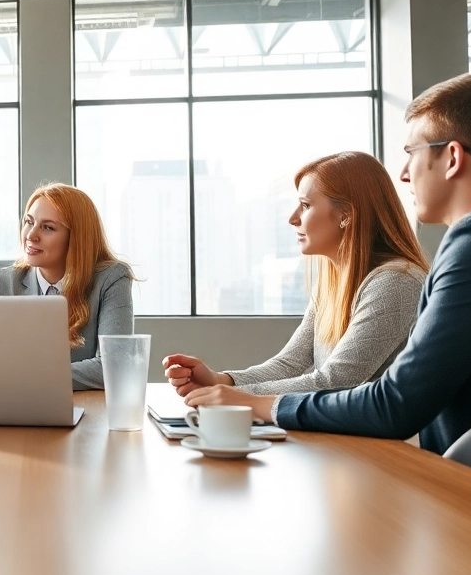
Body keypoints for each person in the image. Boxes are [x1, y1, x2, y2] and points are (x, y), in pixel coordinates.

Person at [181, 72, 471, 454]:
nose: (404, 174)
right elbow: (295, 363)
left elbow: (396, 403)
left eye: (412, 153)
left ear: (452, 157)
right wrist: (227, 384)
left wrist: (255, 404)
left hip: (470, 480)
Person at [165, 152, 428, 396]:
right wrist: (220, 381)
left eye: (305, 205)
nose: (293, 218)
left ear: (346, 215)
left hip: (383, 434)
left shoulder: (396, 282)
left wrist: (231, 396)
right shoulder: (332, 283)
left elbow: (333, 382)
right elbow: (289, 363)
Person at [0, 183, 134, 390]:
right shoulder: (5, 282)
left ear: (76, 238)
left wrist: (28, 377)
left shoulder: (111, 279)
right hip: (13, 402)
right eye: (29, 222)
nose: (31, 235)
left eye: (48, 227)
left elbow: (115, 367)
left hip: (83, 405)